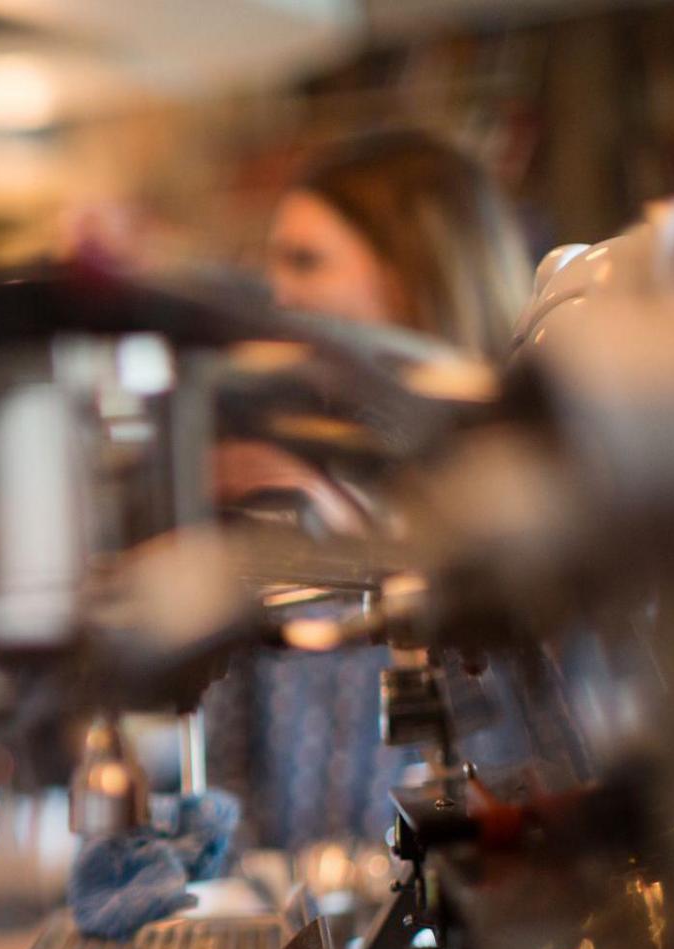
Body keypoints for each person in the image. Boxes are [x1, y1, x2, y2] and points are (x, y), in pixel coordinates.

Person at [211, 128, 534, 849]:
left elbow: (527, 752)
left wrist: (345, 542)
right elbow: (236, 781)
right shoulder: (288, 474)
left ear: (412, 274)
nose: (278, 294)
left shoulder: (527, 483)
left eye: (305, 261)